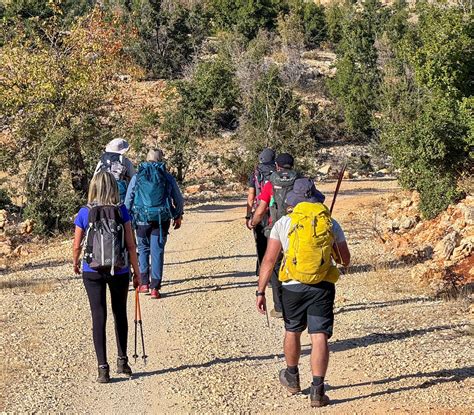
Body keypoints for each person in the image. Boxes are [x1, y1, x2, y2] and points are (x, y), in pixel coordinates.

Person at [255, 177, 350, 408]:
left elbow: (269, 260)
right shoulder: (330, 223)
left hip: (291, 287)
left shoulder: (284, 223)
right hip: (322, 285)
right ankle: (318, 390)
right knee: (319, 336)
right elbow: (345, 260)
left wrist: (260, 291)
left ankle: (292, 377)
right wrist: (333, 254)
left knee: (293, 330)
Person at [73, 171, 141, 383]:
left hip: (92, 271)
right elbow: (131, 245)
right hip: (118, 269)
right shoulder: (121, 211)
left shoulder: (84, 212)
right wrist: (137, 273)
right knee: (120, 312)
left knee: (98, 315)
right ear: (114, 187)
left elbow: (77, 245)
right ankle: (122, 361)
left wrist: (76, 262)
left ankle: (103, 369)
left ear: (93, 187)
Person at [125, 149, 184, 299]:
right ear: (160, 160)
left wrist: (127, 219)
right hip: (161, 219)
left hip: (141, 220)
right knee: (157, 252)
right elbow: (178, 199)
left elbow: (128, 200)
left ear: (147, 159)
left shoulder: (137, 176)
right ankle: (155, 288)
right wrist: (178, 215)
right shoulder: (166, 176)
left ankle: (144, 283)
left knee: (143, 250)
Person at [250, 153, 299, 318]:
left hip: (275, 230)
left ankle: (279, 307)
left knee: (275, 266)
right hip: (297, 229)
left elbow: (262, 208)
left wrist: (253, 222)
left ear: (277, 166)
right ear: (292, 165)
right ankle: (298, 304)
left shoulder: (271, 183)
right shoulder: (300, 181)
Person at [245, 148, 275, 275]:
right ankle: (274, 272)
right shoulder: (277, 172)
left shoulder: (256, 173)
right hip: (275, 210)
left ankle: (261, 271)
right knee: (275, 241)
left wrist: (248, 216)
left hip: (259, 211)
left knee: (261, 242)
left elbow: (251, 196)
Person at [95, 138, 136, 202]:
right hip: (120, 196)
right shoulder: (125, 162)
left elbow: (95, 176)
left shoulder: (102, 161)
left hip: (103, 193)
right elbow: (134, 178)